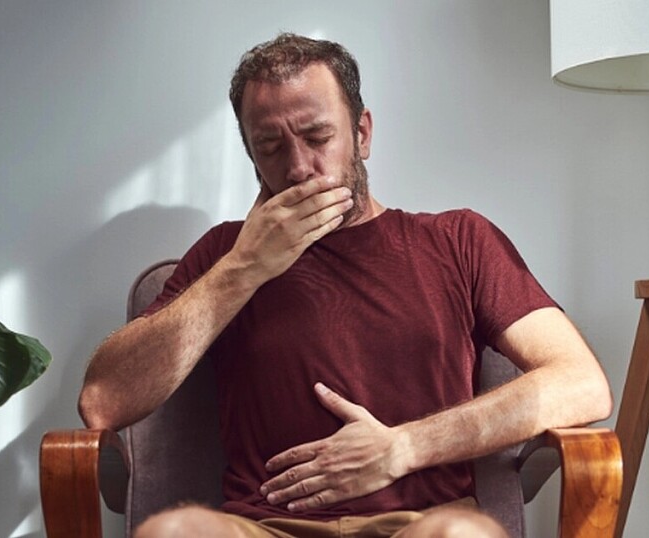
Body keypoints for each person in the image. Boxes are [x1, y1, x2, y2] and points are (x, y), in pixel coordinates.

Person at [78, 33, 613, 538]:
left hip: (423, 524)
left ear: (361, 134)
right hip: (265, 527)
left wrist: (403, 447)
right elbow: (103, 403)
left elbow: (581, 383)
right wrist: (244, 268)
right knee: (176, 532)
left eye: (318, 138)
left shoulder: (458, 240)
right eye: (270, 146)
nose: (299, 168)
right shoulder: (225, 255)